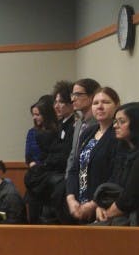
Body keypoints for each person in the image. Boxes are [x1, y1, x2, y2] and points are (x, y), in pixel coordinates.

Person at [66, 87, 122, 224]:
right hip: (80, 205)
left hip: (102, 207)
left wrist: (93, 204)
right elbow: (75, 168)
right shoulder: (88, 132)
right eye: (96, 103)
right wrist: (71, 198)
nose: (100, 107)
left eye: (106, 102)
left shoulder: (118, 135)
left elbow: (116, 175)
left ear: (117, 106)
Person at [22, 95, 64, 224]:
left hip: (51, 179)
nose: (35, 118)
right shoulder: (32, 132)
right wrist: (34, 165)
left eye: (38, 114)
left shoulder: (58, 130)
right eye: (33, 115)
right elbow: (28, 156)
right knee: (34, 217)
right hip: (35, 179)